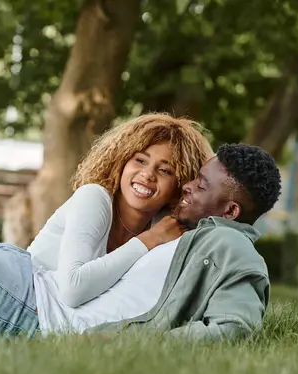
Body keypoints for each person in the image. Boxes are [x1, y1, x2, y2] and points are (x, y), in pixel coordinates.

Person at [0, 143, 279, 342]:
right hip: (25, 281)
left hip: (30, 313)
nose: (186, 186)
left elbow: (232, 327)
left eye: (201, 185)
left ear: (231, 211)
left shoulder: (233, 250)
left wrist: (118, 343)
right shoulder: (186, 231)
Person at [27, 113, 213, 307]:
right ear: (121, 162)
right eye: (140, 160)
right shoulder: (94, 197)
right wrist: (149, 239)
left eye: (165, 170)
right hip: (18, 296)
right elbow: (72, 291)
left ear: (180, 185)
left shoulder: (166, 226)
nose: (148, 174)